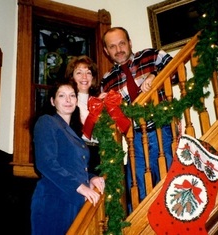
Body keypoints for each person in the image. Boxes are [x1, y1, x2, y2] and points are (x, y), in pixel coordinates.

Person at [101, 27, 178, 209]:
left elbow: (176, 69)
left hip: (163, 130)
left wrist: (155, 75)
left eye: (122, 43)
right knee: (139, 193)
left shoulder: (151, 56)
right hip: (134, 140)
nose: (118, 49)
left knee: (171, 185)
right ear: (106, 51)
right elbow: (107, 116)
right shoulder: (107, 80)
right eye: (112, 46)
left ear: (129, 43)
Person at [31, 80, 105, 235]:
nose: (68, 100)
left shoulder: (74, 132)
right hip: (54, 201)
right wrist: (81, 187)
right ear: (53, 101)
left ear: (77, 101)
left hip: (74, 200)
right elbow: (46, 163)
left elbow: (73, 165)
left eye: (72, 95)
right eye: (62, 96)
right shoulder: (47, 122)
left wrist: (91, 178)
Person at [65, 55, 102, 175]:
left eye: (88, 72)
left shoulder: (100, 100)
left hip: (98, 154)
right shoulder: (67, 101)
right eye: (79, 73)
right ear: (72, 77)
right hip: (76, 153)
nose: (84, 77)